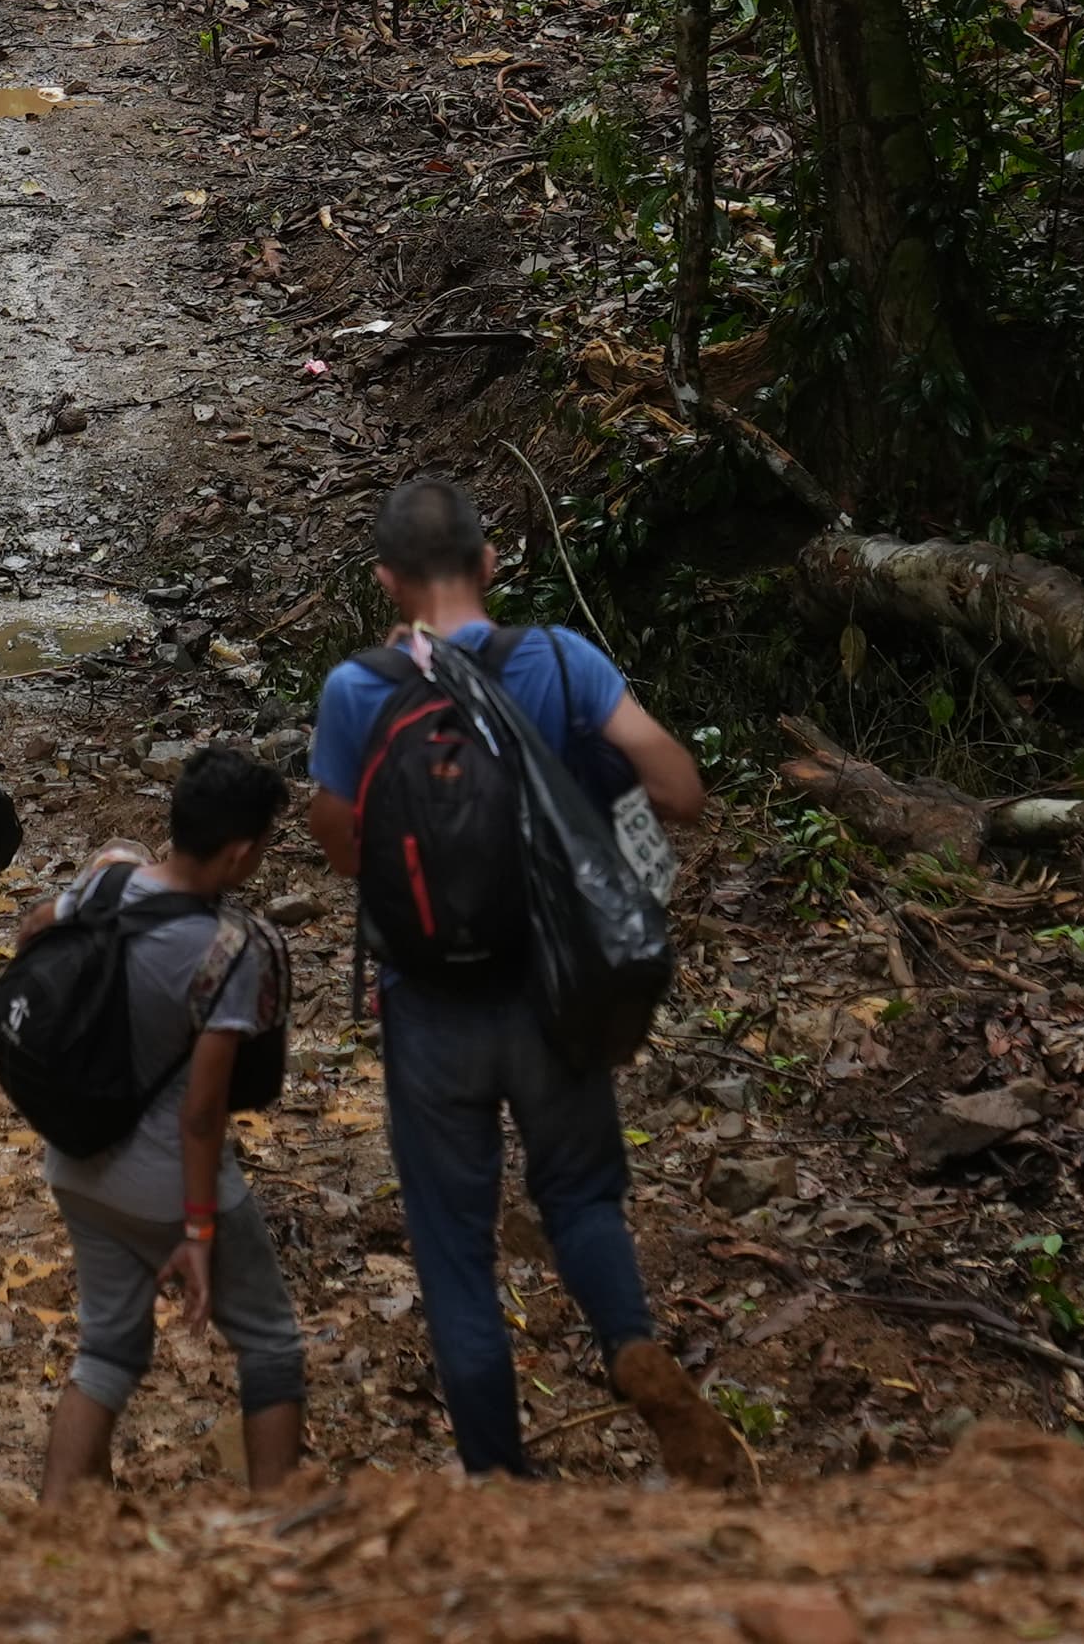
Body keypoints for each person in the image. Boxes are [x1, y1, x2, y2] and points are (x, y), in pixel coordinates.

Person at [305, 477, 731, 1484]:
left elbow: (336, 842)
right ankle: (629, 1341)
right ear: (492, 564)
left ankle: (500, 1482)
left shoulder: (358, 688)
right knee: (580, 1195)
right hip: (552, 994)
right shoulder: (559, 660)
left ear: (386, 582)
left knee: (455, 1249)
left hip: (427, 1008)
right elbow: (679, 790)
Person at [20, 747, 305, 1503]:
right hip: (165, 1184)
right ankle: (281, 1530)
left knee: (107, 1353)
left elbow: (34, 933)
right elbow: (203, 1111)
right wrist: (200, 1233)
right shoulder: (228, 950)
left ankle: (51, 1529)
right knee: (272, 1343)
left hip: (77, 1165)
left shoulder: (109, 885)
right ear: (242, 852)